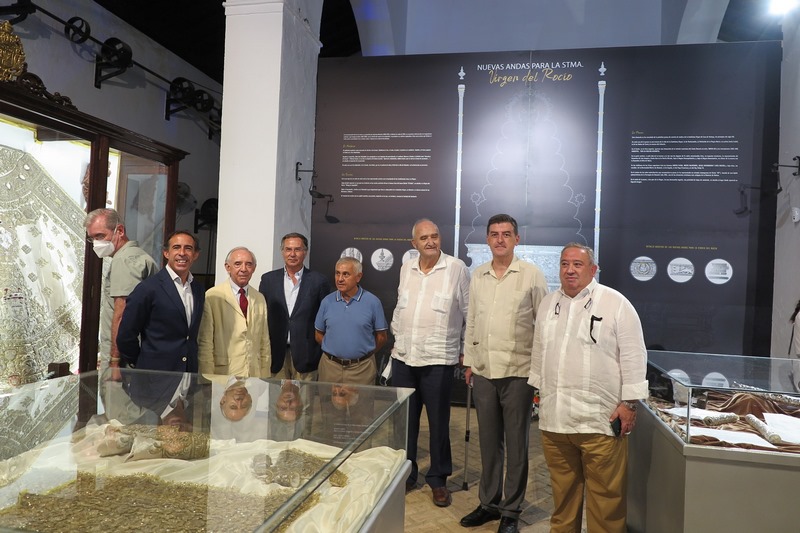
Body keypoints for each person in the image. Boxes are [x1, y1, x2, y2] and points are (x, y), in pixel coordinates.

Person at [528, 242, 648, 533]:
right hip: (556, 423)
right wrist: (539, 396)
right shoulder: (548, 304)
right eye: (564, 264)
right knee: (563, 498)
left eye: (577, 264)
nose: (569, 270)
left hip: (600, 422)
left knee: (606, 500)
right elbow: (539, 353)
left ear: (593, 270)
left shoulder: (616, 303)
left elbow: (634, 355)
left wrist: (629, 404)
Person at [461, 214, 548, 533]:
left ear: (516, 239)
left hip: (518, 373)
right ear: (487, 239)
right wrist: (470, 361)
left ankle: (511, 509)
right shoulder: (479, 275)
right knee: (488, 442)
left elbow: (543, 325)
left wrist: (538, 370)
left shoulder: (531, 275)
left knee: (516, 444)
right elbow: (472, 320)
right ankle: (488, 504)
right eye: (494, 234)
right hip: (484, 371)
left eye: (506, 234)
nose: (500, 239)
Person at [389, 219, 469, 507]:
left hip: (438, 360)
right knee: (405, 423)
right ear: (414, 244)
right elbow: (400, 308)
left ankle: (438, 479)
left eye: (434, 236)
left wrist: (466, 351)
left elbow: (469, 312)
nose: (431, 241)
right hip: (404, 358)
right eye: (424, 238)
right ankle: (407, 474)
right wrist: (397, 337)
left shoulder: (456, 268)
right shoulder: (406, 268)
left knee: (438, 423)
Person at [84, 208, 157, 378]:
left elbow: (122, 313)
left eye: (100, 236)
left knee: (115, 396)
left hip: (123, 361)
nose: (96, 243)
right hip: (134, 355)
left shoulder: (124, 260)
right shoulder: (135, 256)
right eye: (92, 238)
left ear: (120, 231)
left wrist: (115, 361)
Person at [117, 230, 205, 372]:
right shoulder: (148, 288)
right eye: (176, 247)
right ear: (166, 253)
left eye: (188, 248)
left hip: (188, 374)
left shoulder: (198, 289)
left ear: (195, 255)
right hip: (154, 375)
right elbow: (126, 336)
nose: (182, 253)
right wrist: (141, 362)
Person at [259, 233, 333, 380]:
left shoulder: (319, 281)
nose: (292, 254)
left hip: (307, 356)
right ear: (282, 252)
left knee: (305, 396)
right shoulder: (268, 280)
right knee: (275, 395)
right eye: (288, 249)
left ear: (305, 252)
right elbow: (262, 315)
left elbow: (326, 319)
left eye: (297, 249)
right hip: (275, 355)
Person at [198, 246, 271, 378]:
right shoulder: (212, 296)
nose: (243, 269)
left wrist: (265, 375)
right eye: (238, 264)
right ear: (228, 267)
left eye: (248, 264)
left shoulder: (259, 298)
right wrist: (207, 378)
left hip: (254, 374)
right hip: (224, 374)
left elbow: (264, 341)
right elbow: (205, 342)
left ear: (254, 268)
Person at [314, 257, 388, 385]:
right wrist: (334, 351)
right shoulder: (327, 301)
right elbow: (318, 334)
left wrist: (363, 355)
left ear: (358, 277)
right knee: (326, 399)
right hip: (330, 368)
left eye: (346, 274)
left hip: (362, 369)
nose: (340, 279)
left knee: (362, 399)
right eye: (337, 273)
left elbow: (382, 337)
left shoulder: (373, 302)